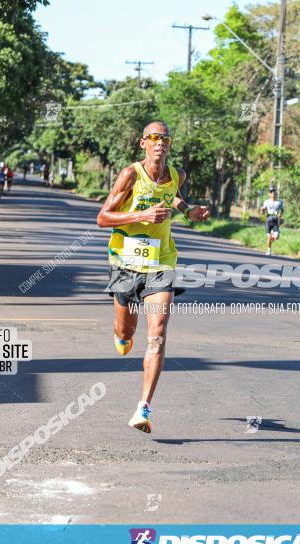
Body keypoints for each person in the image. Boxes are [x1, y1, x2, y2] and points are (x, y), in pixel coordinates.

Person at [96, 121, 210, 433]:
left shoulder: (177, 175)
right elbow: (103, 218)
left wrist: (188, 211)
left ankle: (143, 408)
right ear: (143, 143)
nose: (160, 143)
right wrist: (140, 215)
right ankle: (121, 333)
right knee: (126, 329)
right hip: (125, 261)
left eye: (165, 139)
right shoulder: (130, 174)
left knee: (157, 332)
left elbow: (173, 195)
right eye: (154, 138)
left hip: (161, 262)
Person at [260, 186, 283, 255]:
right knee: (269, 237)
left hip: (275, 221)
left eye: (274, 192)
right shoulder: (266, 202)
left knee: (276, 237)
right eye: (271, 192)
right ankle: (269, 250)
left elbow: (282, 210)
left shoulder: (279, 202)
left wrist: (280, 215)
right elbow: (262, 212)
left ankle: (271, 237)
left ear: (276, 193)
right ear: (269, 194)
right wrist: (262, 210)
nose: (273, 193)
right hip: (268, 220)